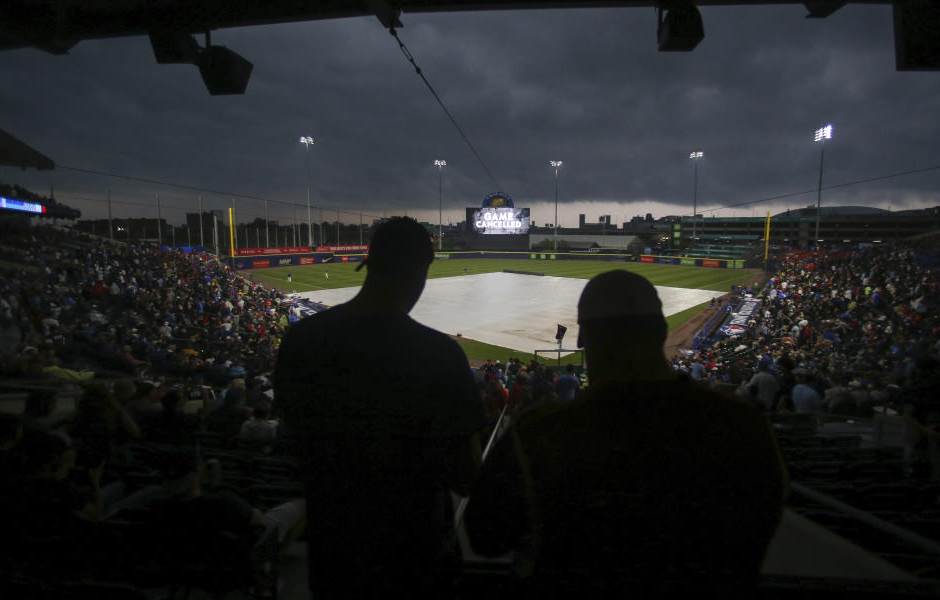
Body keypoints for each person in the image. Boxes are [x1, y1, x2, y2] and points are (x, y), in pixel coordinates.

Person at [465, 270, 786, 597]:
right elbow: (761, 531)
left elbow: (484, 538)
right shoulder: (742, 422)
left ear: (583, 340)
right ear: (661, 331)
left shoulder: (537, 432)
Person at [275, 217, 484, 599]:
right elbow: (466, 475)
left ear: (368, 263)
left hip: (335, 552)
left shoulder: (302, 340)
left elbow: (292, 440)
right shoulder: (440, 356)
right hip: (417, 553)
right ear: (422, 271)